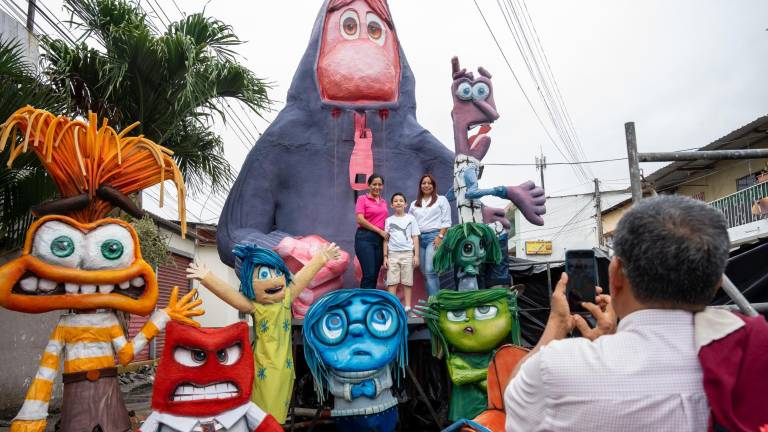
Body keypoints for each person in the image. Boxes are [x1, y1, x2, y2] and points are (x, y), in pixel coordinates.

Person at [504, 195, 730, 431]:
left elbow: (515, 402)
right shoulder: (747, 356)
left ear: (616, 273)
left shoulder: (555, 367)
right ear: (718, 282)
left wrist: (557, 323)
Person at [186, 242, 340, 424]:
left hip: (284, 368)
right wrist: (207, 278)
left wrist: (322, 257)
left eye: (277, 273)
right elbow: (232, 296)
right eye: (264, 275)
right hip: (263, 367)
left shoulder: (286, 298)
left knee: (279, 412)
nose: (274, 279)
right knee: (262, 410)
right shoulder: (256, 307)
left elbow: (301, 278)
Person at [408, 174, 451, 295]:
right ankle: (434, 300)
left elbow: (446, 221)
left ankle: (434, 304)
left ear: (433, 186)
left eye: (429, 183)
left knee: (430, 270)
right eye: (424, 183)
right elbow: (410, 223)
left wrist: (440, 237)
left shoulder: (441, 199)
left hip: (435, 236)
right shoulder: (414, 204)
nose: (426, 185)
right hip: (419, 239)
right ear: (420, 186)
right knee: (424, 272)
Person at [383, 192, 420, 313]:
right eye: (395, 201)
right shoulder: (388, 220)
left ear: (405, 204)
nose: (398, 202)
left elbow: (415, 237)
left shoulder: (411, 218)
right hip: (393, 254)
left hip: (407, 253)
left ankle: (408, 306)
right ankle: (392, 307)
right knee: (392, 282)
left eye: (401, 201)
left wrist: (416, 255)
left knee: (407, 281)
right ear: (392, 205)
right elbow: (386, 240)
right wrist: (385, 257)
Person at [354, 173, 389, 288]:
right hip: (365, 238)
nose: (377, 187)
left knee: (374, 275)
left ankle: (370, 302)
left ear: (382, 186)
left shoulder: (383, 202)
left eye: (380, 184)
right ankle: (363, 303)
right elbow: (360, 219)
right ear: (369, 185)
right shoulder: (362, 199)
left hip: (379, 241)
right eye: (374, 184)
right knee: (368, 274)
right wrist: (379, 231)